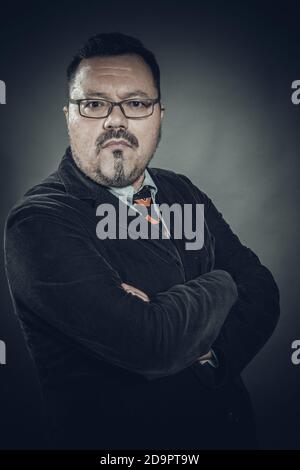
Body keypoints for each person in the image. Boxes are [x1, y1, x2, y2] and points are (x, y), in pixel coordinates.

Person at [4, 32, 280, 450]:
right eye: (94, 104)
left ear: (159, 115)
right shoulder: (38, 223)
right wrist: (225, 282)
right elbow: (153, 344)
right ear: (68, 116)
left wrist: (210, 354)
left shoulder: (181, 191)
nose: (116, 120)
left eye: (136, 103)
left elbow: (263, 291)